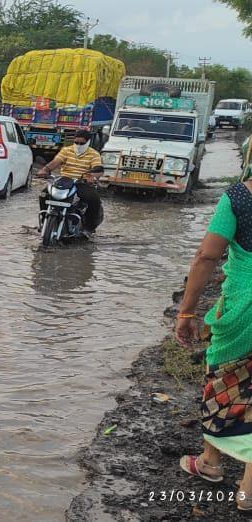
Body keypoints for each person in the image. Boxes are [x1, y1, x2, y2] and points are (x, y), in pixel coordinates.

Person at [175, 178, 252, 512]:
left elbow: (207, 255)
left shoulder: (239, 196)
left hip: (242, 312)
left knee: (224, 384)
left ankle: (214, 464)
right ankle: (240, 483)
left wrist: (187, 311)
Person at [37, 129, 104, 237]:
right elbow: (55, 162)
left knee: (93, 199)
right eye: (76, 142)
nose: (78, 145)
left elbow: (98, 169)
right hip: (64, 180)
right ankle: (44, 219)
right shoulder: (66, 150)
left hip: (81, 182)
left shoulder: (94, 154)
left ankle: (89, 228)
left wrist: (92, 177)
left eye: (81, 143)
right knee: (44, 194)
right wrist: (45, 170)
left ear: (88, 142)